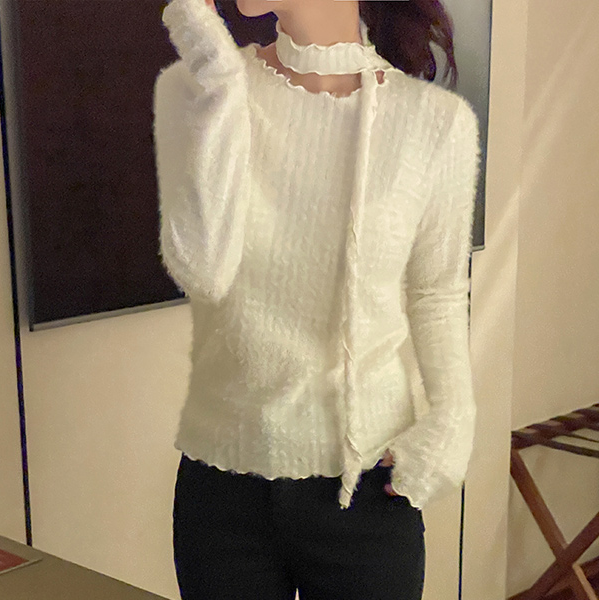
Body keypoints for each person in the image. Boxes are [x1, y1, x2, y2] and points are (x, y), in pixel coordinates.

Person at [153, 0, 482, 598]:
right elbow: (201, 269)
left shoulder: (436, 123)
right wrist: (219, 78)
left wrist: (454, 422)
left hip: (367, 490)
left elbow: (436, 291)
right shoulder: (196, 86)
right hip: (222, 492)